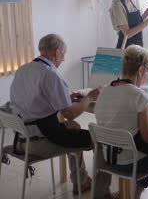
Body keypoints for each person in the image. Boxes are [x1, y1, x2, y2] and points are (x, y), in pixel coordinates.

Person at [10, 34, 100, 195]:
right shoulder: (50, 74)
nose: (63, 60)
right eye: (63, 55)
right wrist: (90, 97)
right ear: (57, 52)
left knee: (73, 127)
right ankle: (102, 190)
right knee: (97, 140)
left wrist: (67, 97)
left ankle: (81, 180)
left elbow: (37, 100)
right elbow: (70, 113)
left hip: (21, 140)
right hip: (39, 143)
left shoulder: (23, 70)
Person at [93, 45, 148, 198]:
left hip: (107, 160)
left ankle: (134, 192)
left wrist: (143, 113)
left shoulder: (104, 91)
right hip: (129, 164)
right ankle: (138, 192)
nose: (144, 81)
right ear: (140, 70)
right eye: (147, 76)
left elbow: (119, 116)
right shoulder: (139, 96)